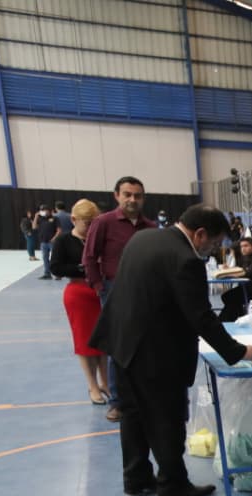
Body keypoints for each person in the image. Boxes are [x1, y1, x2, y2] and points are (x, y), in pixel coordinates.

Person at [89, 204, 252, 496]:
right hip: (155, 350)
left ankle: (136, 477)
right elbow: (201, 316)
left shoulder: (144, 238)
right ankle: (173, 484)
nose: (213, 250)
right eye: (215, 243)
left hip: (122, 341)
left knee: (133, 416)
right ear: (200, 234)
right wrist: (238, 351)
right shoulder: (185, 259)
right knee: (166, 417)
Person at [82, 176, 153, 423]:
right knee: (118, 348)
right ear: (117, 196)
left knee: (145, 347)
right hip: (113, 291)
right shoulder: (103, 223)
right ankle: (117, 403)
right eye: (128, 194)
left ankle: (144, 398)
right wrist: (100, 288)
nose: (133, 199)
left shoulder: (150, 228)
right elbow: (89, 258)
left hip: (145, 293)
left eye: (138, 195)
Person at [51, 198, 109, 404]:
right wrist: (82, 268)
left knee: (105, 341)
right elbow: (55, 268)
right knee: (85, 342)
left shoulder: (100, 239)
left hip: (101, 292)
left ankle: (106, 382)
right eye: (87, 223)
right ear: (74, 220)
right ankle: (92, 385)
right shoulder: (63, 241)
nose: (91, 227)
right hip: (78, 294)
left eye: (94, 223)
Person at [36, 205, 58, 278]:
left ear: (49, 210)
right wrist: (36, 217)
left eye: (45, 210)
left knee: (55, 258)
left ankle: (57, 274)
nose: (44, 212)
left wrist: (54, 238)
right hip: (43, 242)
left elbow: (59, 230)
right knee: (45, 258)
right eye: (42, 210)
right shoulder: (40, 219)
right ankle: (47, 273)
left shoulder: (54, 218)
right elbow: (34, 227)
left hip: (52, 242)